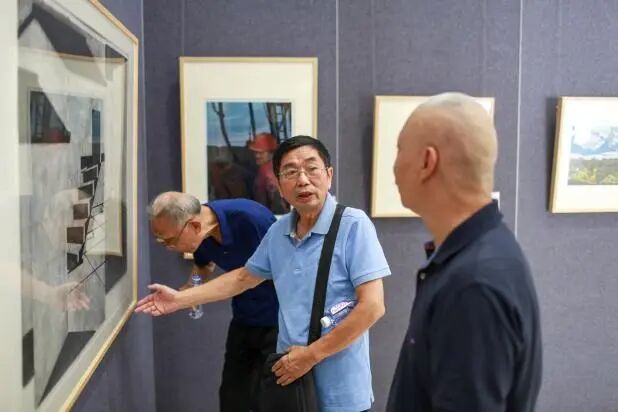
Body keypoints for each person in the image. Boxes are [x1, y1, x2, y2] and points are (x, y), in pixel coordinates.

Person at [137, 136, 391, 412]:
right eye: (290, 172)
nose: (302, 180)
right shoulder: (278, 232)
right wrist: (179, 300)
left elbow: (372, 307)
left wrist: (311, 355)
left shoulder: (353, 225)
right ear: (279, 186)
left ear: (329, 175)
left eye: (311, 168)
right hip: (289, 379)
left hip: (339, 387)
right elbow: (242, 278)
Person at [387, 93, 542, 411]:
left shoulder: (473, 283)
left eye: (400, 150)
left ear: (427, 162)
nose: (394, 167)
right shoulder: (482, 254)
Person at [148, 192, 279, 412]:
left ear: (194, 226)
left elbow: (246, 278)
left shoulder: (251, 219)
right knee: (232, 398)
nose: (169, 248)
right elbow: (203, 265)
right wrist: (193, 285)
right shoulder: (201, 233)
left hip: (280, 321)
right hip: (244, 319)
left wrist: (183, 298)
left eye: (169, 241)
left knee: (270, 399)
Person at [247, 132, 289, 214]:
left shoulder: (268, 172)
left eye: (261, 153)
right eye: (255, 152)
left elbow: (277, 205)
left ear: (271, 153)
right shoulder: (269, 168)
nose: (257, 156)